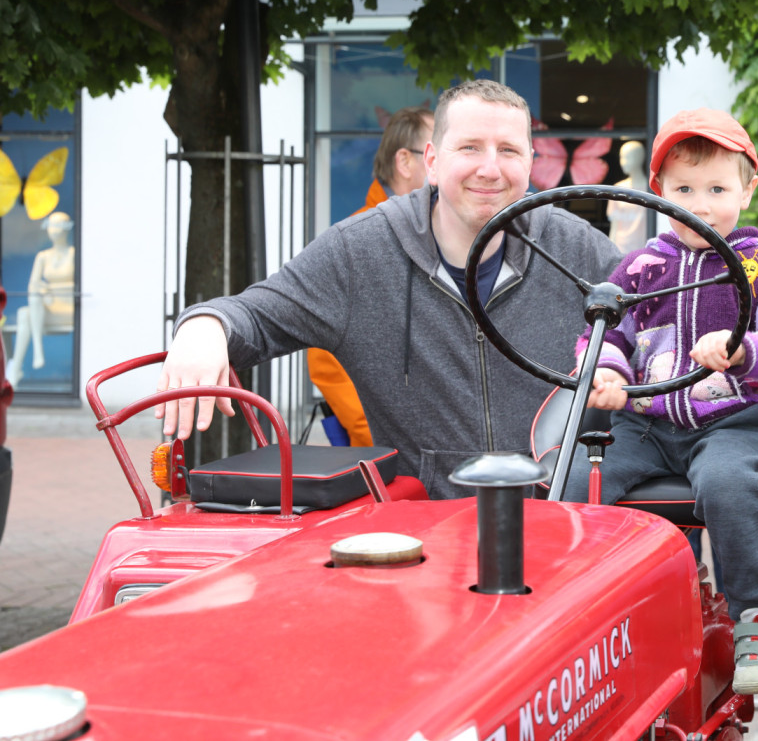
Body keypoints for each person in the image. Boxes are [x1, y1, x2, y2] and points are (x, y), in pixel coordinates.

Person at [156, 79, 622, 497]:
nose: (490, 168)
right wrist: (204, 325)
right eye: (470, 148)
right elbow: (257, 315)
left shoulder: (575, 247)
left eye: (509, 151)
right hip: (419, 526)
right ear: (433, 163)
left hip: (562, 515)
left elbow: (656, 321)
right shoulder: (360, 252)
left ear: (531, 164)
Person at [560, 108, 758, 695]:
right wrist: (605, 375)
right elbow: (604, 336)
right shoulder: (643, 266)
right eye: (683, 190)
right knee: (574, 479)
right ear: (658, 193)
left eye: (717, 189)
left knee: (726, 483)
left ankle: (754, 615)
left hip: (733, 420)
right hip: (646, 422)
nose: (699, 204)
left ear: (747, 192)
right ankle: (577, 602)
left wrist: (744, 349)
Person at [306, 106, 435, 446]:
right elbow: (324, 357)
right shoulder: (355, 243)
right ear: (405, 162)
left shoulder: (443, 237)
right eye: (437, 152)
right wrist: (376, 437)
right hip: (389, 458)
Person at [7, 211, 76, 386]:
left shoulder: (74, 253)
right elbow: (33, 285)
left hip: (68, 308)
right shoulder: (43, 256)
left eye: (58, 226)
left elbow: (79, 284)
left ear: (66, 229)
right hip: (48, 307)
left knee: (26, 313)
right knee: (27, 309)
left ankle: (18, 367)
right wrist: (44, 290)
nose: (54, 231)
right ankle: (36, 349)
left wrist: (50, 289)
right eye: (52, 226)